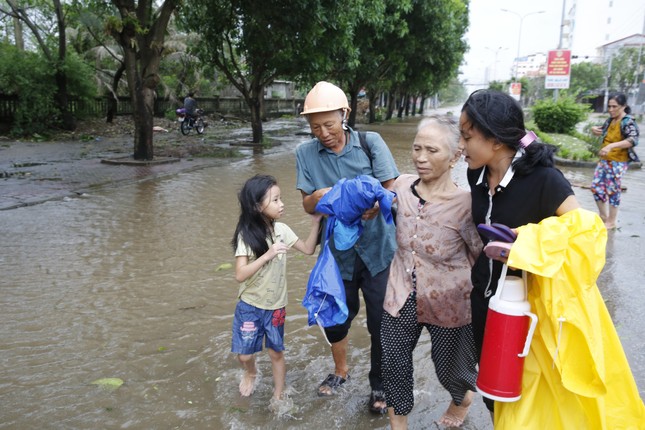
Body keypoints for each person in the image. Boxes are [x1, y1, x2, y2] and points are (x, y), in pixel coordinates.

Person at [460, 89, 645, 428]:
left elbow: (587, 234)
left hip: (529, 313)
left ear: (496, 140)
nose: (461, 144)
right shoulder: (477, 175)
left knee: (531, 398)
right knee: (494, 390)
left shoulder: (545, 180)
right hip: (486, 302)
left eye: (467, 136)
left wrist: (528, 241)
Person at [295, 81, 399, 414]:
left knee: (381, 322)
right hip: (337, 258)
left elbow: (391, 190)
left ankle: (379, 383)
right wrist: (320, 196)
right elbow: (308, 206)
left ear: (345, 114)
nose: (323, 133)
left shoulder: (371, 143)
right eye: (315, 127)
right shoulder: (305, 154)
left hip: (378, 250)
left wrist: (374, 206)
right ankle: (341, 370)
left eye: (328, 124)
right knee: (336, 319)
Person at [381, 116, 482, 429]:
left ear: (454, 157)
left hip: (450, 300)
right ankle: (399, 424)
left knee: (451, 368)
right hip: (400, 292)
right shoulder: (399, 186)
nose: (421, 157)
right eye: (417, 149)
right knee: (394, 362)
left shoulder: (466, 204)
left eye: (432, 151)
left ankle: (461, 401)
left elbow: (480, 255)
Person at [230, 174, 322, 406]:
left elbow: (309, 249)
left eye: (280, 199)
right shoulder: (246, 236)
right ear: (256, 206)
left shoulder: (282, 229)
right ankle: (250, 372)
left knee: (276, 352)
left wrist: (316, 223)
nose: (282, 204)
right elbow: (240, 274)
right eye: (275, 200)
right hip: (250, 305)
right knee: (245, 354)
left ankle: (278, 393)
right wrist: (269, 254)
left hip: (276, 307)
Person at [590, 92, 640, 229]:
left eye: (615, 106)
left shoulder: (628, 122)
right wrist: (595, 129)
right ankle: (603, 216)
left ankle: (611, 221)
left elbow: (633, 140)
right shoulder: (610, 120)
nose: (611, 110)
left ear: (623, 106)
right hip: (604, 160)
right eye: (609, 106)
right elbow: (603, 130)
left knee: (612, 189)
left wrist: (612, 146)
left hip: (618, 161)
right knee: (596, 188)